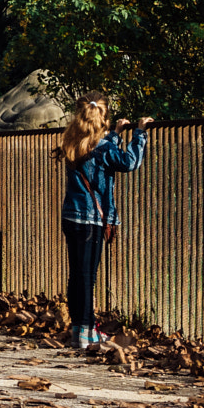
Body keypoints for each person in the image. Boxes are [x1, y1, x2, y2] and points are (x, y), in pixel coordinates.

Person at [54, 95, 153, 350]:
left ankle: (79, 330)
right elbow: (130, 162)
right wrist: (139, 133)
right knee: (88, 277)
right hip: (92, 221)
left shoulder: (73, 142)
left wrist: (115, 135)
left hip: (71, 217)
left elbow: (99, 149)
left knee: (77, 275)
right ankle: (87, 334)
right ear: (104, 119)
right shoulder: (104, 149)